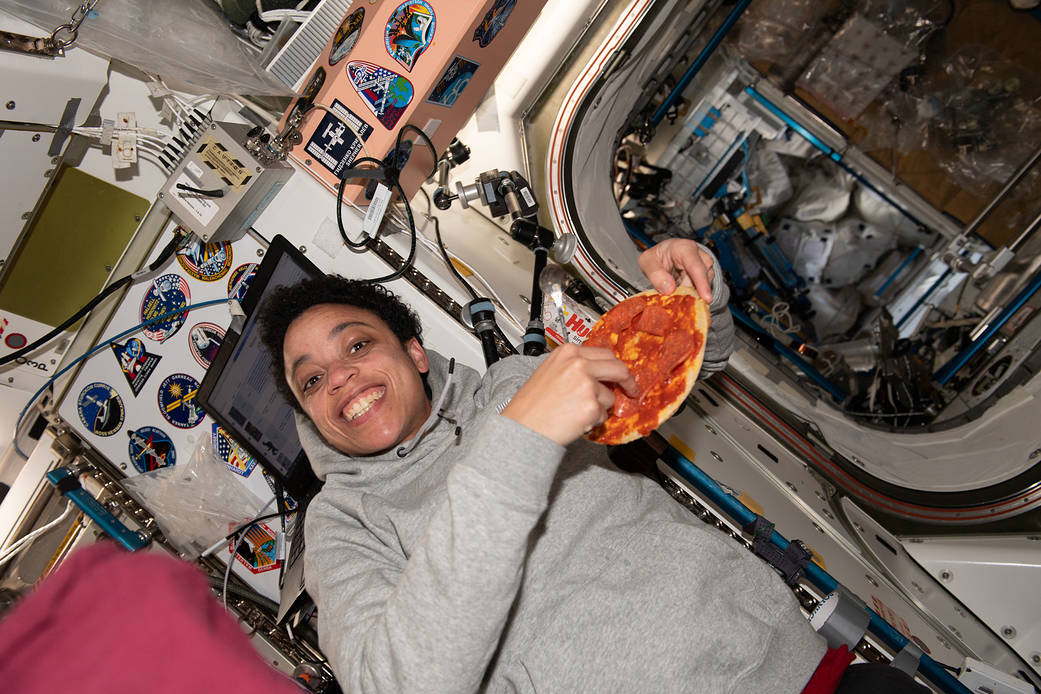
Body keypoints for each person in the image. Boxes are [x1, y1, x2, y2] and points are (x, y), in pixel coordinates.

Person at [257, 239, 920, 693]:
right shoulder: (342, 529)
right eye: (311, 381)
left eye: (356, 345)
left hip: (799, 671)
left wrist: (696, 300)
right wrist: (518, 445)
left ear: (415, 353)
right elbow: (399, 683)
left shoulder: (514, 384)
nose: (339, 377)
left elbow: (674, 368)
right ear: (307, 414)